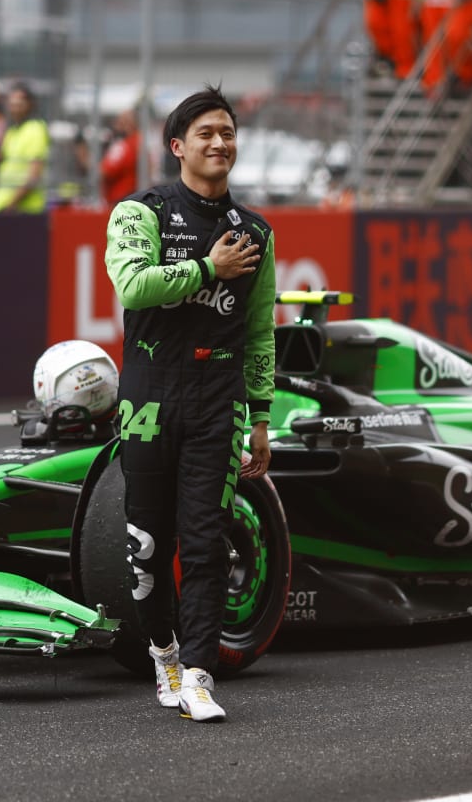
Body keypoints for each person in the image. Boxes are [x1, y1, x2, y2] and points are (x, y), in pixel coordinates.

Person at [103, 85, 276, 723]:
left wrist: (261, 417)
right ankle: (165, 654)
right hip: (148, 394)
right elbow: (132, 285)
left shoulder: (255, 233)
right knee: (148, 545)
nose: (220, 143)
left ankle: (200, 674)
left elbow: (260, 331)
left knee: (206, 543)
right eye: (206, 133)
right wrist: (208, 269)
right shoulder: (139, 212)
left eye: (228, 133)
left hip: (218, 401)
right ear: (178, 146)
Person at [0, 82, 50, 214]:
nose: (15, 108)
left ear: (30, 105)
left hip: (22, 210)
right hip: (3, 208)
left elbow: (34, 175)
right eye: (12, 104)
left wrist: (11, 205)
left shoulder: (35, 129)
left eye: (19, 104)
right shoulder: (12, 131)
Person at [99, 107, 140, 205]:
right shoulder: (140, 141)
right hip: (133, 198)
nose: (116, 125)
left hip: (121, 200)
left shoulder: (125, 145)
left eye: (120, 121)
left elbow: (105, 171)